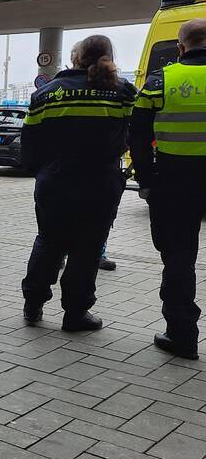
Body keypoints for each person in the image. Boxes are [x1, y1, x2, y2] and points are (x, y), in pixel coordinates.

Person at [21, 35, 136, 331]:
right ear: (108, 57)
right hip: (100, 183)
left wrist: (43, 171)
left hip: (56, 182)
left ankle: (33, 304)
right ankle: (75, 314)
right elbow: (136, 135)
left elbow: (30, 145)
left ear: (75, 58)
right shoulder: (122, 92)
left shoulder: (47, 92)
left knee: (48, 242)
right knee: (87, 249)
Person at [130, 18, 206, 359]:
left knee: (178, 259)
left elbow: (138, 137)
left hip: (175, 182)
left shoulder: (160, 81)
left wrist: (146, 181)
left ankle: (182, 335)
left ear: (180, 47)